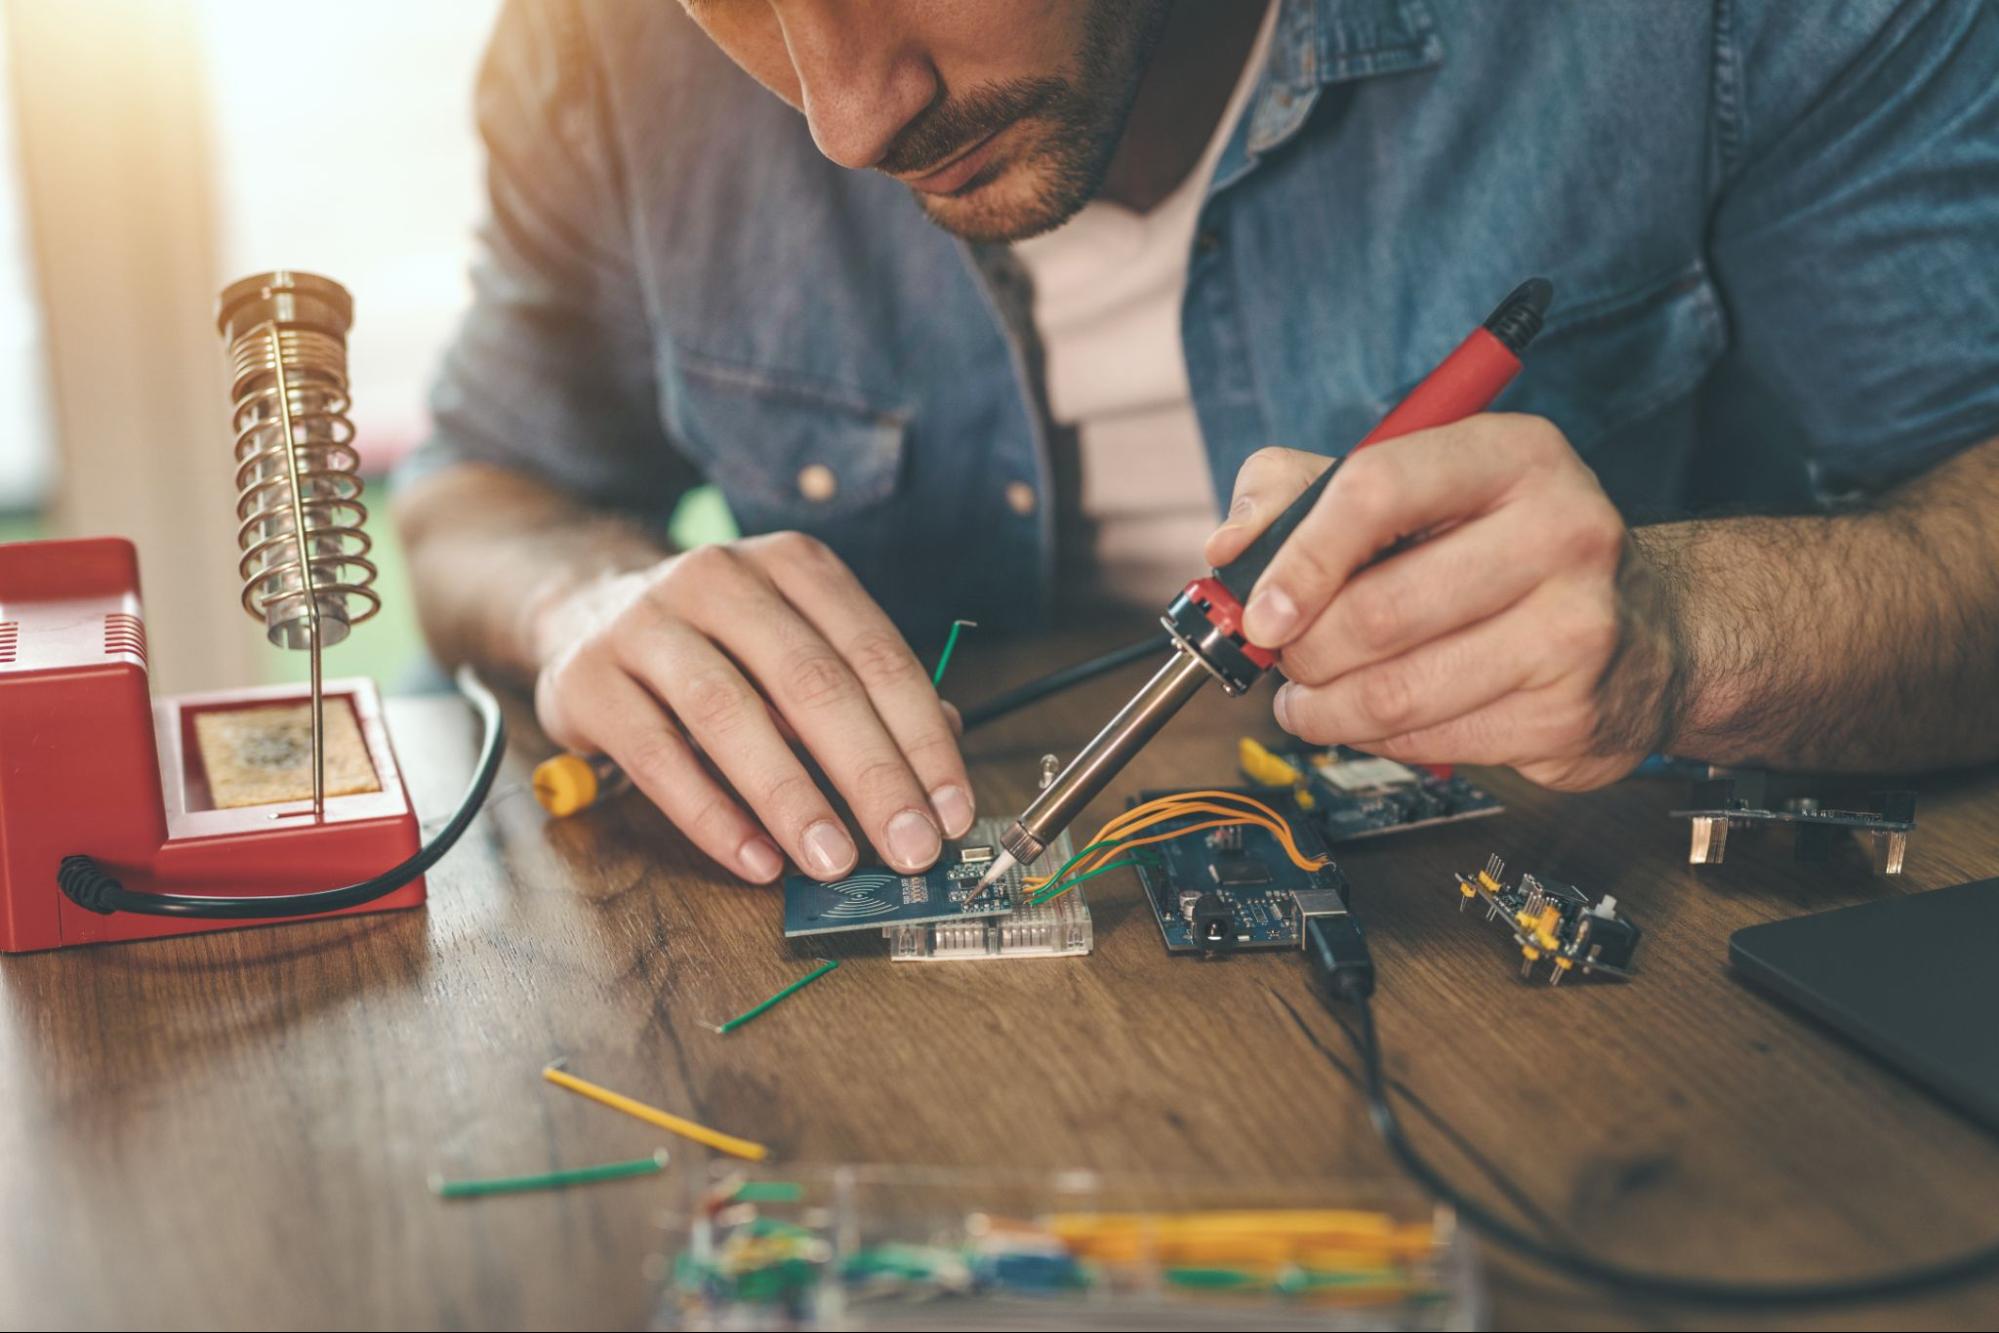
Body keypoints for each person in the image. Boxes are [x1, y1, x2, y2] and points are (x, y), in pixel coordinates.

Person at [394, 0, 1999, 887]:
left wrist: (1675, 633)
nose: (849, 117)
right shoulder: (595, 47)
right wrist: (579, 601)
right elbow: (477, 488)